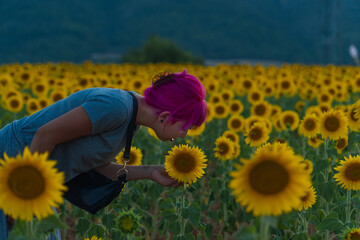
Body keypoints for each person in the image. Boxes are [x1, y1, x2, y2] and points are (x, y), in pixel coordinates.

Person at [0, 69, 207, 239]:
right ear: (165, 116)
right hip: (13, 161)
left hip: (32, 170)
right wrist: (22, 196)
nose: (183, 135)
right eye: (185, 127)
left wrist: (151, 172)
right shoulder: (116, 107)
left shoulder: (131, 121)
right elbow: (45, 136)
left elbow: (98, 166)